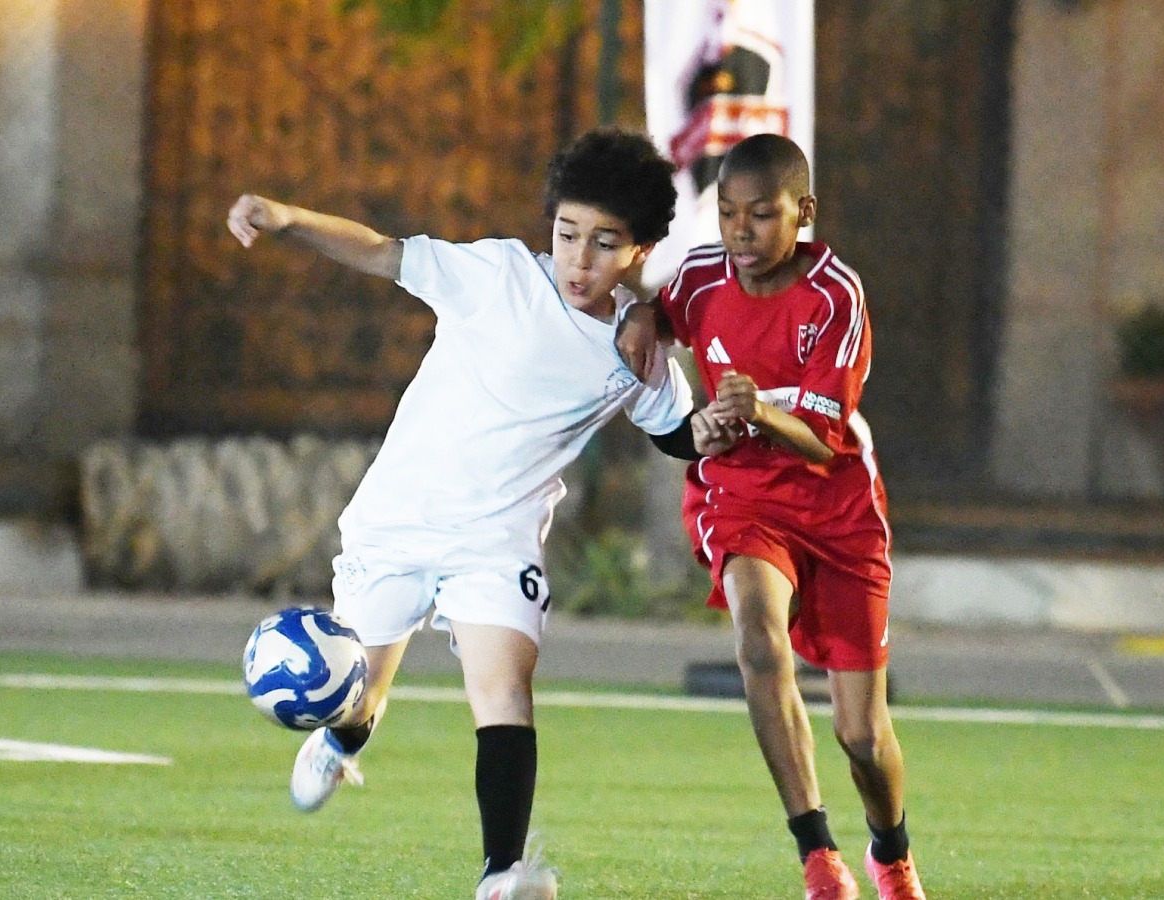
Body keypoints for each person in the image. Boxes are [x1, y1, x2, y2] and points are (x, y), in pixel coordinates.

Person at [227, 129, 704, 900]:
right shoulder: (498, 274)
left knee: (504, 690)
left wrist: (711, 373)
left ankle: (501, 873)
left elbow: (684, 435)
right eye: (567, 234)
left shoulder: (635, 351)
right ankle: (340, 739)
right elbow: (383, 252)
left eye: (603, 244)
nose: (579, 259)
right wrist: (288, 218)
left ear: (641, 250)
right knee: (360, 697)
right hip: (397, 523)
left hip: (495, 541)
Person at [617, 132, 927, 900]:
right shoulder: (701, 280)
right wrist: (638, 322)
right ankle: (818, 856)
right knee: (759, 645)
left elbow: (824, 440)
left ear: (804, 213)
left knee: (863, 735)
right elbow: (657, 307)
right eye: (726, 214)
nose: (740, 232)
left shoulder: (835, 296)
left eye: (760, 215)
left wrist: (752, 406)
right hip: (744, 496)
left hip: (839, 505)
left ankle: (889, 851)